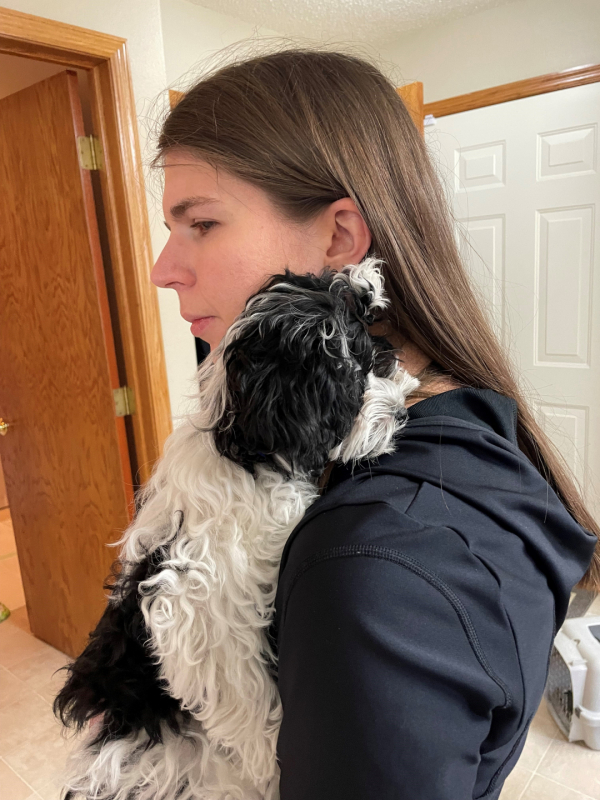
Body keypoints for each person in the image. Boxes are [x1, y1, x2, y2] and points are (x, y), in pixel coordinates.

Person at [57, 46, 599, 800]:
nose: (161, 268)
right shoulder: (471, 416)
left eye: (201, 224)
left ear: (340, 237)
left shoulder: (373, 567)